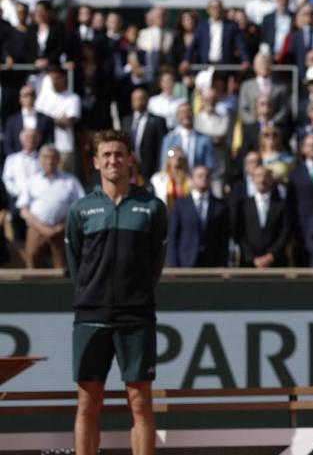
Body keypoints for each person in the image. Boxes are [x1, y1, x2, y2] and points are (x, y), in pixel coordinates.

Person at [66, 130, 167, 455]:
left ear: (130, 159)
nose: (113, 160)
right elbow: (75, 264)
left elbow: (155, 264)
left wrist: (133, 295)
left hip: (135, 317)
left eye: (119, 154)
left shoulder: (152, 207)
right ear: (96, 162)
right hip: (91, 317)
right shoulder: (81, 210)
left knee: (140, 403)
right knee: (88, 403)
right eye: (106, 155)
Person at [19, 144, 84, 270]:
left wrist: (61, 226)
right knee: (33, 263)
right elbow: (24, 211)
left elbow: (80, 207)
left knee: (62, 267)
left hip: (62, 230)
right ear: (40, 160)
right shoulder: (32, 181)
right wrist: (42, 227)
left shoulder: (70, 180)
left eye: (53, 157)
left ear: (58, 160)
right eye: (45, 157)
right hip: (36, 229)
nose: (49, 161)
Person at [166, 164, 229, 268]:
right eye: (200, 176)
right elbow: (173, 236)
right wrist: (173, 265)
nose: (204, 178)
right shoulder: (180, 205)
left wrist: (222, 265)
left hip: (211, 264)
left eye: (207, 176)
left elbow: (223, 239)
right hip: (185, 264)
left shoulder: (220, 206)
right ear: (192, 179)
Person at [238, 165, 290, 267]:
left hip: (276, 262)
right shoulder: (243, 205)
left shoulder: (282, 205)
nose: (262, 180)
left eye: (266, 176)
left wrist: (271, 255)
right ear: (253, 179)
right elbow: (240, 233)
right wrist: (252, 257)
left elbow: (285, 232)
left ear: (271, 180)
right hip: (249, 264)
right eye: (258, 176)